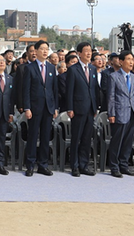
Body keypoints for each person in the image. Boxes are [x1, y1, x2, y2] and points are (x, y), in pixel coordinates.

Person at [23, 40, 58, 176]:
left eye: (46, 49)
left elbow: (54, 89)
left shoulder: (50, 68)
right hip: (34, 107)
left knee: (45, 137)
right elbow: (25, 90)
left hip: (48, 107)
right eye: (42, 49)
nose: (44, 51)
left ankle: (43, 165)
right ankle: (30, 165)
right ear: (35, 51)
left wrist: (55, 107)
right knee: (32, 136)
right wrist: (27, 107)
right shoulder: (29, 68)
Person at [66, 42, 98, 177]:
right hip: (78, 109)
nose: (89, 53)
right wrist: (70, 108)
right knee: (76, 138)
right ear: (79, 54)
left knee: (86, 139)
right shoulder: (73, 69)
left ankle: (84, 165)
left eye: (90, 51)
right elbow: (69, 91)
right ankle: (74, 166)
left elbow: (94, 89)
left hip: (90, 109)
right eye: (86, 51)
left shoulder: (93, 69)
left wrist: (95, 107)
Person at [107, 50, 134, 178]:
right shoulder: (113, 77)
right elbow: (111, 97)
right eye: (128, 59)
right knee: (117, 141)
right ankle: (114, 167)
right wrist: (112, 114)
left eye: (133, 59)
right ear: (121, 62)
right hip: (119, 113)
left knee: (128, 142)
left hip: (131, 113)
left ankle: (124, 165)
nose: (131, 62)